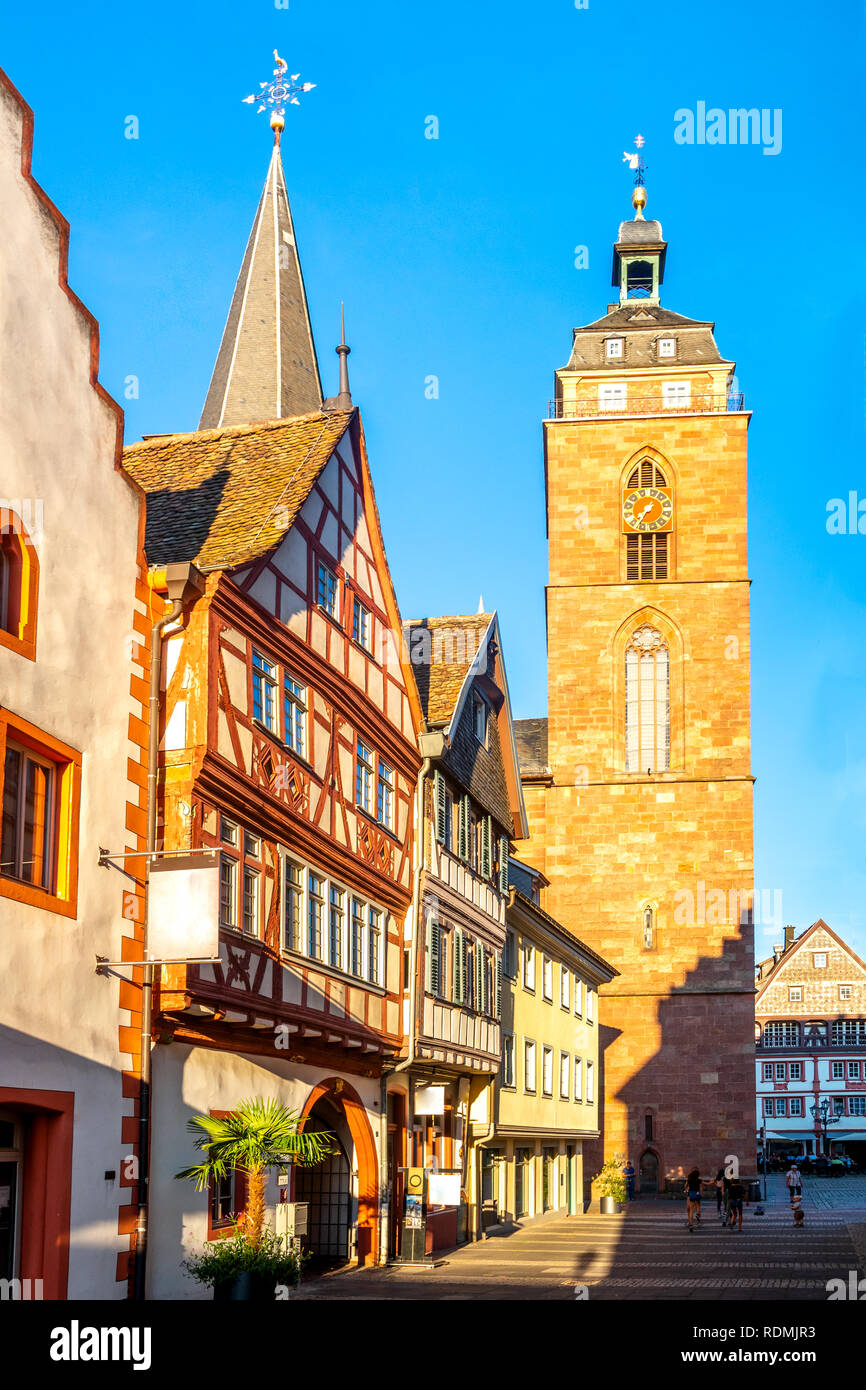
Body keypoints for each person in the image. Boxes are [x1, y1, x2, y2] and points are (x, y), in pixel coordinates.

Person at [684, 1166, 704, 1231]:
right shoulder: (699, 1180)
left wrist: (686, 1188)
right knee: (698, 1206)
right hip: (697, 1195)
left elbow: (685, 1186)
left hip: (691, 1195)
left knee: (691, 1210)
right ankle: (698, 1215)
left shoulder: (689, 1180)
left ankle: (691, 1225)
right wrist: (700, 1194)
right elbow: (701, 1188)